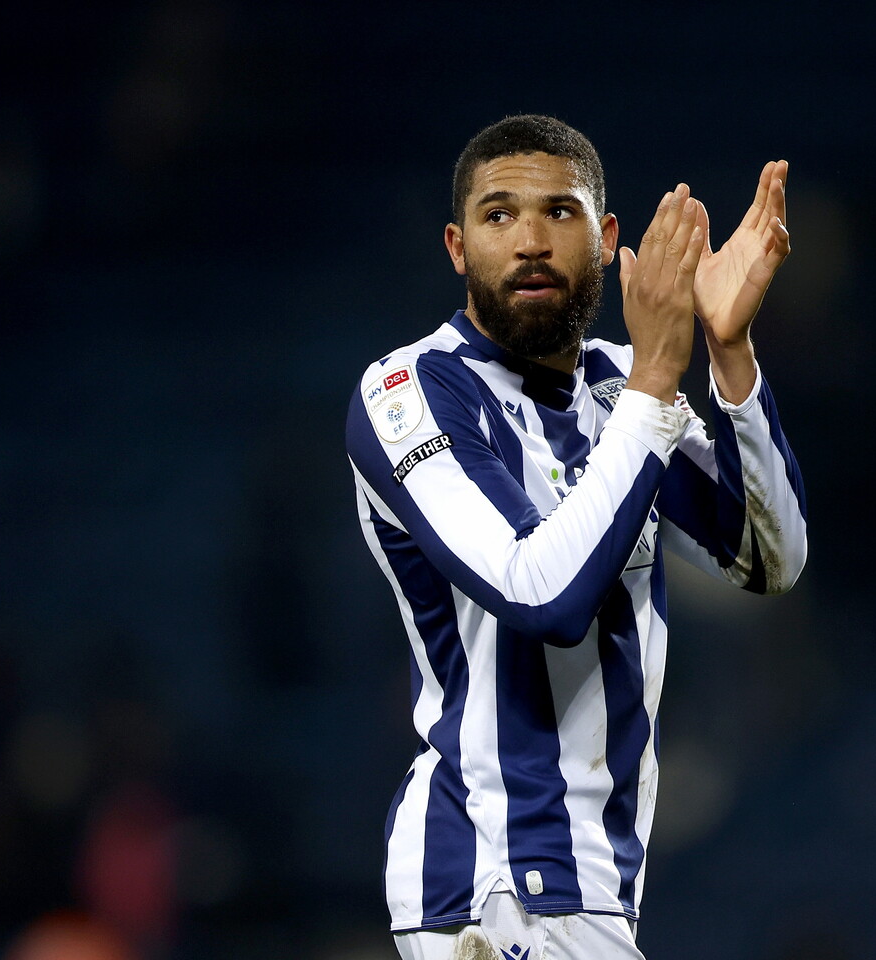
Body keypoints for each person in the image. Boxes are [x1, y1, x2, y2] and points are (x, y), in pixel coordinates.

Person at [345, 115, 807, 960]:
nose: (528, 240)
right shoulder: (409, 391)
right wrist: (658, 381)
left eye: (560, 212)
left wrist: (727, 350)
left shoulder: (614, 388)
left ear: (607, 242)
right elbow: (542, 594)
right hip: (500, 878)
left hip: (589, 885)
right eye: (498, 215)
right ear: (456, 246)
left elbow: (771, 558)